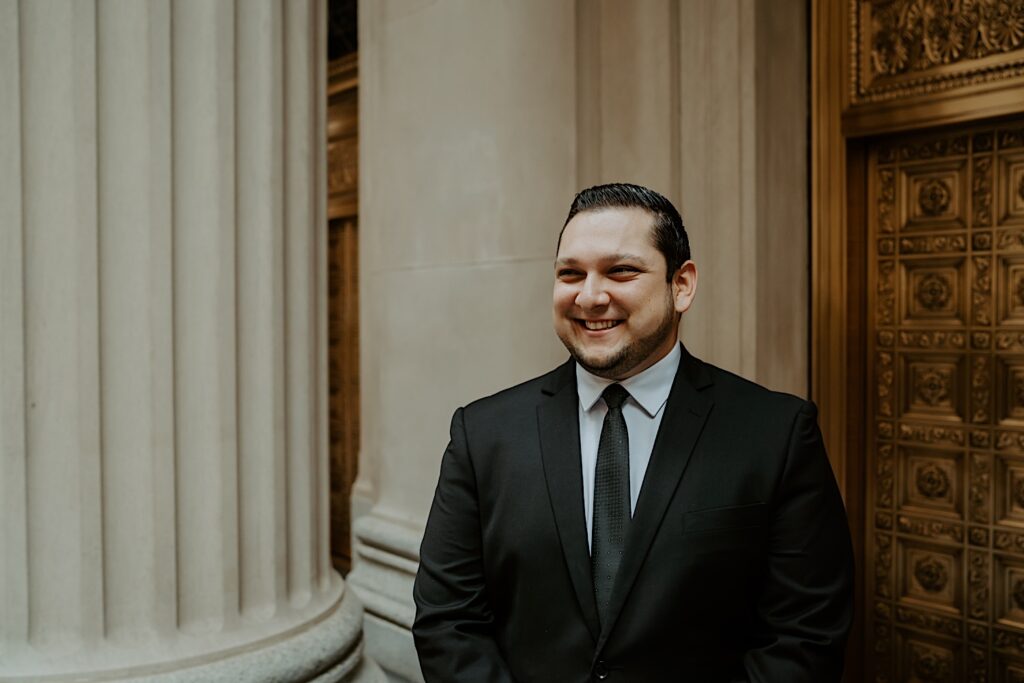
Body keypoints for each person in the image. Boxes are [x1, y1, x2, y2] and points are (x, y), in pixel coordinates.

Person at [412, 183, 854, 682]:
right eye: (570, 274)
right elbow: (448, 622)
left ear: (681, 284)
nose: (590, 295)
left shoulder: (776, 432)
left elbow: (805, 635)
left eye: (621, 271)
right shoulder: (483, 433)